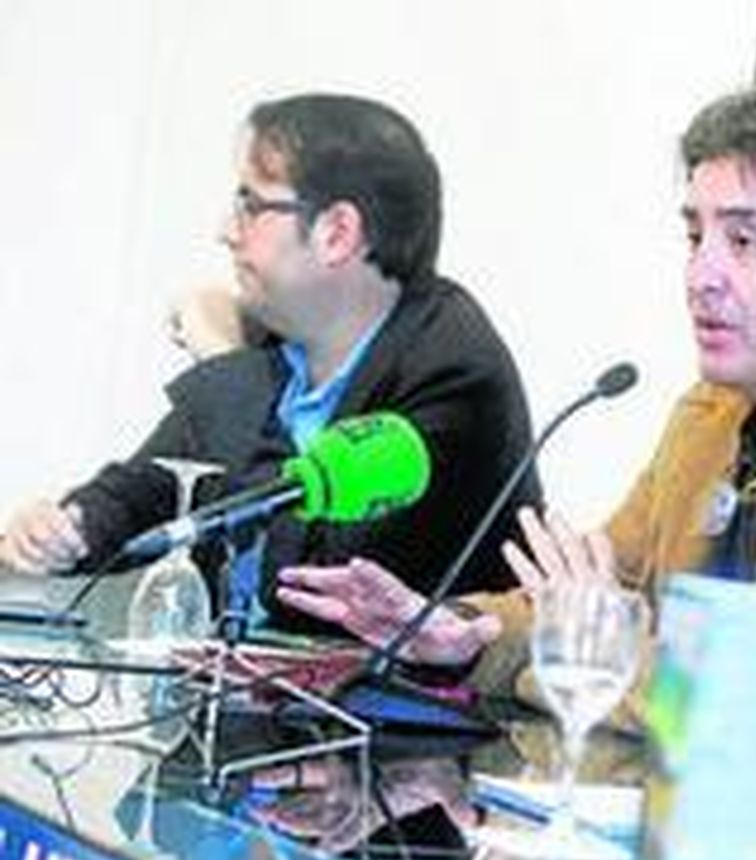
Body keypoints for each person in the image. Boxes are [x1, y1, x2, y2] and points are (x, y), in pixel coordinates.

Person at [277, 78, 756, 796]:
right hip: (705, 842)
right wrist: (462, 633)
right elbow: (597, 585)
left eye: (743, 242)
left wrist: (589, 638)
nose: (701, 275)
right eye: (694, 236)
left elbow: (740, 707)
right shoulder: (717, 408)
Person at [0, 93, 536, 630]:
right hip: (254, 702)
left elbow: (309, 582)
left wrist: (222, 358)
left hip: (391, 709)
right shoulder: (280, 341)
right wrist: (67, 529)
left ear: (337, 233)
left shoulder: (453, 370)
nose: (226, 231)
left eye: (250, 206)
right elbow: (147, 488)